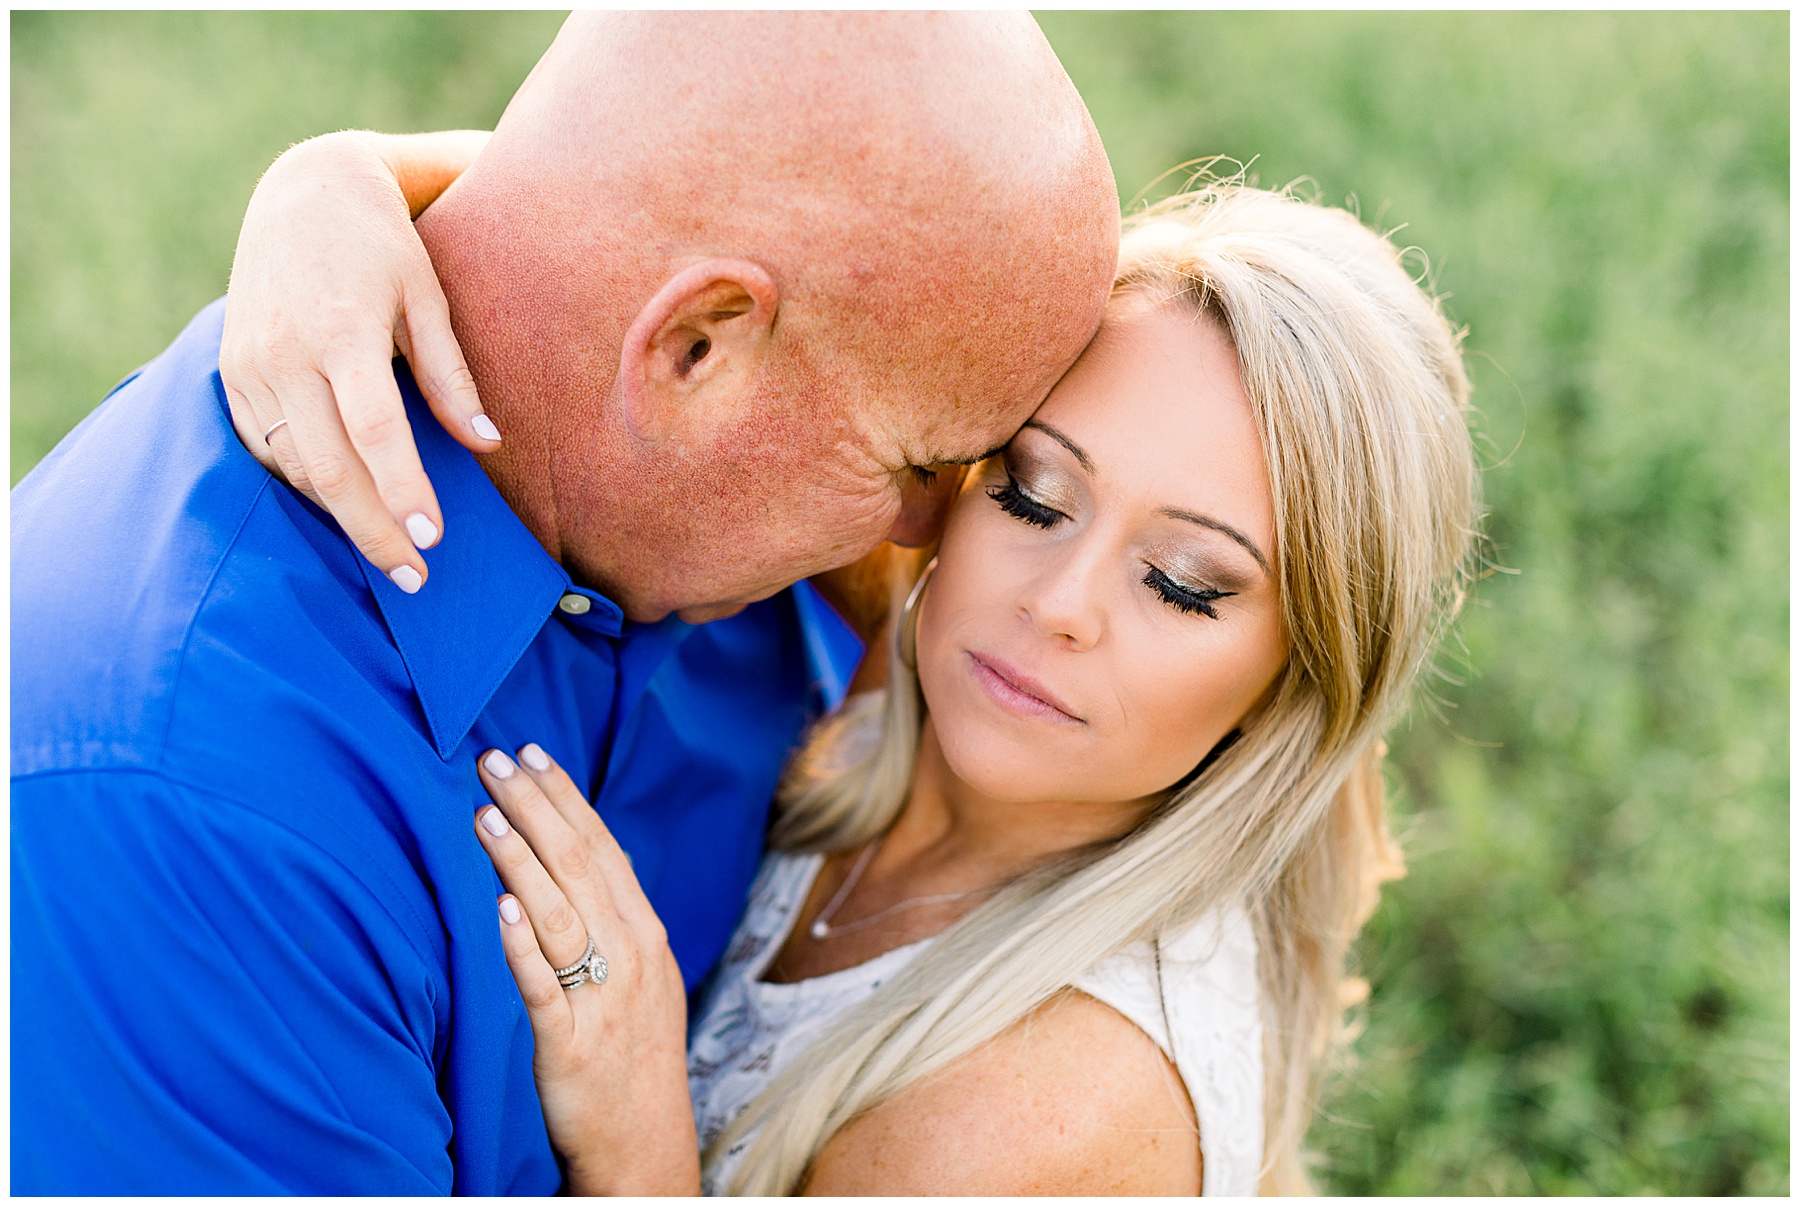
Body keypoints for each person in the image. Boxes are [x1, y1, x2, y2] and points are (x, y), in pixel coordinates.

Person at [10, 14, 1118, 1194]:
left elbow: (629, 198)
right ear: (694, 352)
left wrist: (350, 172)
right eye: (915, 468)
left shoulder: (688, 493)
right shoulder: (192, 821)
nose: (933, 539)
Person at [248, 179, 1481, 1192]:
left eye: (1184, 585)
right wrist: (333, 192)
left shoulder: (1029, 1117)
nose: (1059, 600)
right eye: (1036, 492)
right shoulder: (941, 619)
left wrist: (638, 1145)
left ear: (1298, 677)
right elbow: (645, 215)